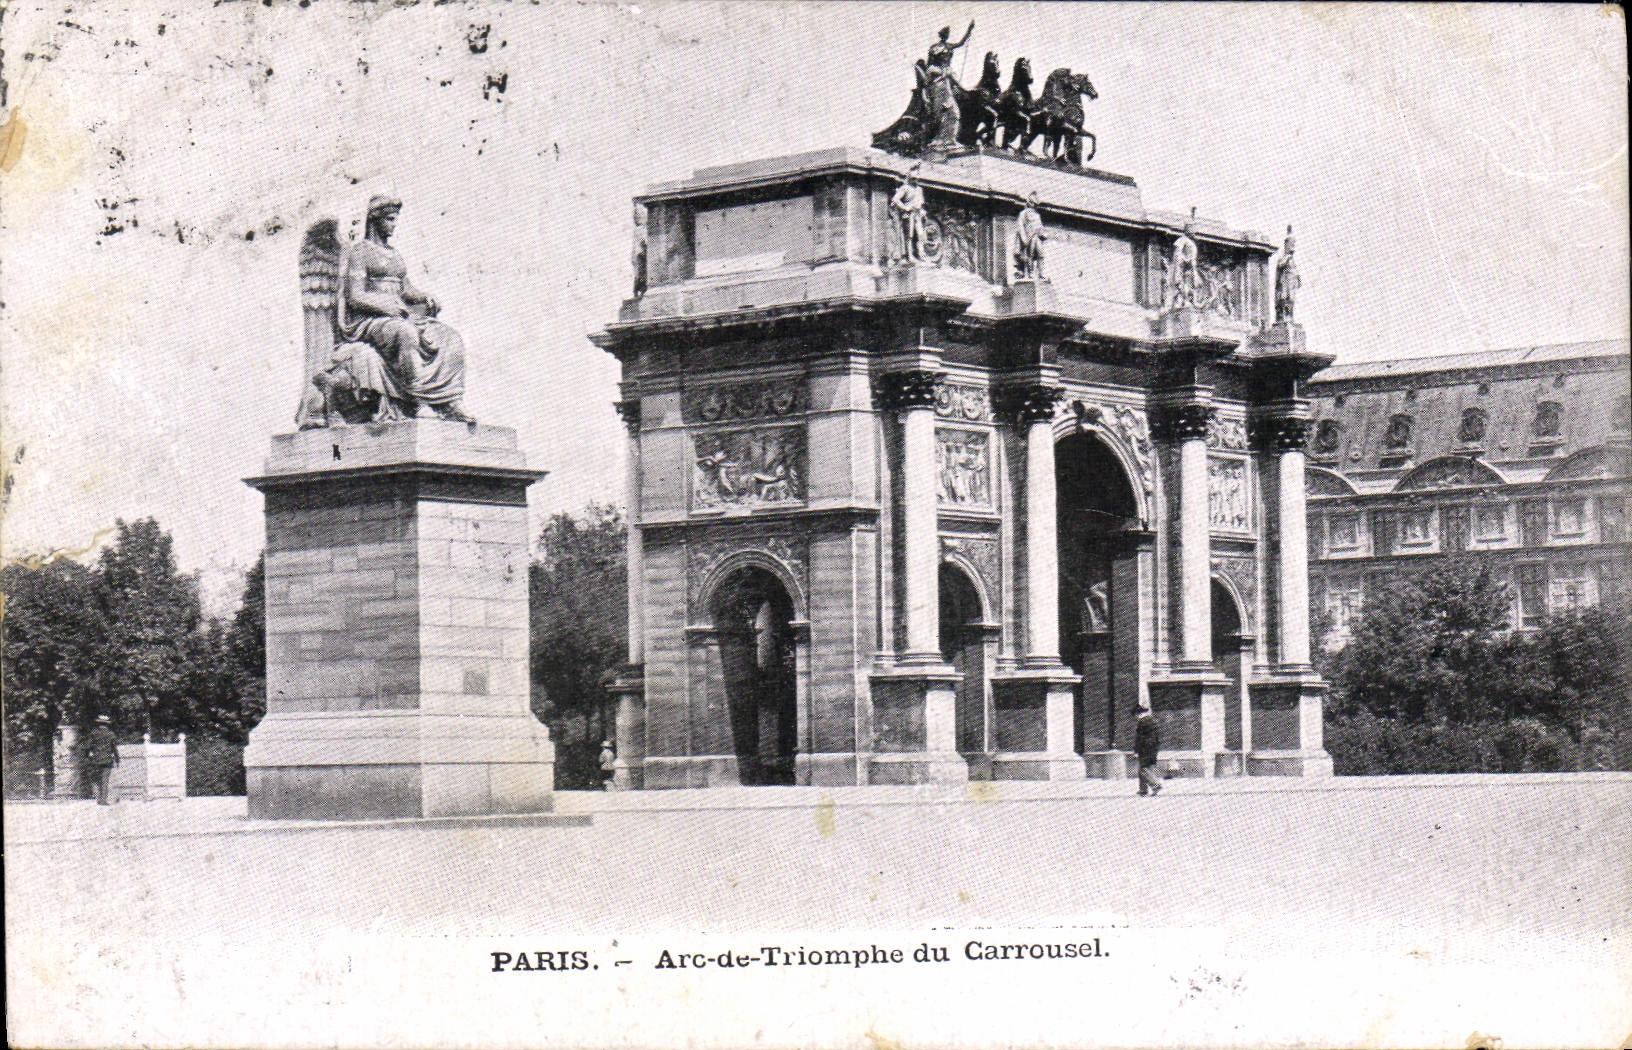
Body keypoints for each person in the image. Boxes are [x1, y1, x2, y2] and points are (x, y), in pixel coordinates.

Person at [337, 195, 473, 423]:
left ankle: (451, 402)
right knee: (406, 334)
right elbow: (354, 295)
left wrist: (425, 297)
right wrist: (384, 305)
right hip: (370, 322)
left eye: (395, 219)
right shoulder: (360, 252)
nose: (394, 224)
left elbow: (406, 289)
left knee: (451, 338)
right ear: (374, 219)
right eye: (389, 219)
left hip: (399, 316)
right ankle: (417, 401)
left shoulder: (395, 255)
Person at [889, 165, 928, 263]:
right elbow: (895, 199)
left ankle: (921, 255)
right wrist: (905, 208)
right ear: (910, 178)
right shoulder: (905, 188)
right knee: (909, 236)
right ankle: (909, 256)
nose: (916, 180)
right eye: (914, 178)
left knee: (920, 235)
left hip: (918, 214)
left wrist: (923, 210)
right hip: (909, 214)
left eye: (917, 178)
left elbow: (921, 202)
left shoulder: (919, 189)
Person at [83, 714, 119, 806]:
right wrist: (117, 759)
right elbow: (114, 748)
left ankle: (98, 797)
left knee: (96, 779)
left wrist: (88, 756)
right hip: (107, 760)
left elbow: (88, 746)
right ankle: (103, 799)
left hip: (96, 759)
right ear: (107, 724)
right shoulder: (111, 734)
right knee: (105, 780)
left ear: (98, 723)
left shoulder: (94, 733)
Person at [1014, 192, 1046, 280]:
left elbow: (1040, 226)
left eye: (1035, 204)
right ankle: (1030, 273)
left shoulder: (1037, 215)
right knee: (1030, 255)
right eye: (1032, 203)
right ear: (1029, 202)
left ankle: (1041, 273)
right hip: (1029, 238)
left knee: (1041, 254)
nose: (1034, 205)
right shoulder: (1023, 213)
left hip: (1037, 237)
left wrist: (1043, 233)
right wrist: (1024, 239)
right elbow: (1020, 226)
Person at [1274, 225, 1300, 324]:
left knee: (1291, 300)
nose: (1292, 246)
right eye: (1291, 244)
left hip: (1291, 282)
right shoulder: (1284, 257)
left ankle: (1290, 317)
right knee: (1284, 299)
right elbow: (1280, 265)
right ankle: (1283, 317)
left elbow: (1295, 271)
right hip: (1284, 281)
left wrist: (1298, 278)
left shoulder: (1293, 261)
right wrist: (1288, 257)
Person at [1134, 706, 1162, 797]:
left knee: (1143, 769)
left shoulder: (1142, 722)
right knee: (1148, 768)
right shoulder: (1154, 721)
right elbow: (1157, 737)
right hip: (1153, 748)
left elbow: (1139, 738)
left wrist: (1136, 750)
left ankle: (1155, 785)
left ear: (1139, 714)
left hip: (1144, 748)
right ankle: (1143, 790)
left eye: (1136, 715)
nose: (1136, 717)